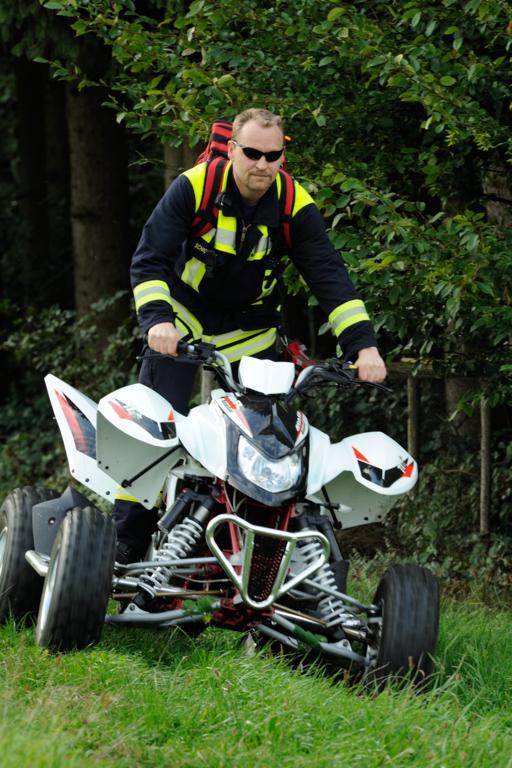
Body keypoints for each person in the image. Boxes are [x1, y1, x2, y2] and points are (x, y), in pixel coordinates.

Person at [113, 107, 386, 563]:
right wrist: (158, 321)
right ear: (232, 149)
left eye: (272, 156)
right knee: (154, 429)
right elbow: (149, 259)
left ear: (283, 156)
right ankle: (126, 541)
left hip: (251, 333)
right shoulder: (194, 186)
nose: (262, 164)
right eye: (253, 153)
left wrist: (364, 345)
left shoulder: (294, 203)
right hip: (181, 323)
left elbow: (330, 278)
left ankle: (263, 554)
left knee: (271, 440)